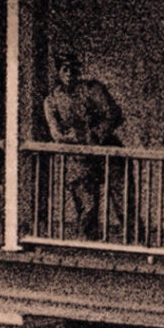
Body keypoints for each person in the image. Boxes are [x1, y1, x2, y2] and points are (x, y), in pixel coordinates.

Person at [42, 53, 123, 239]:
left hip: (106, 151)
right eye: (65, 69)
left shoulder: (92, 89)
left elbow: (114, 114)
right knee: (87, 206)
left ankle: (137, 242)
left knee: (123, 199)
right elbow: (57, 134)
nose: (70, 73)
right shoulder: (52, 101)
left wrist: (93, 135)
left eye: (73, 69)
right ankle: (90, 244)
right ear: (58, 72)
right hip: (79, 157)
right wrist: (74, 138)